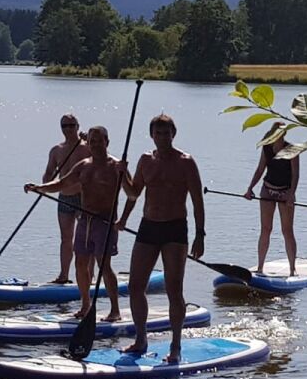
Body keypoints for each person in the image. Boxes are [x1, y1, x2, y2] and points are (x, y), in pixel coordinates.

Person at [117, 114, 205, 364]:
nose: (163, 138)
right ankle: (141, 339)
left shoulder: (186, 162)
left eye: (167, 133)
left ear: (173, 134)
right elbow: (133, 193)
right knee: (135, 286)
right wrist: (122, 176)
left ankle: (176, 345)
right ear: (152, 135)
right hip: (148, 227)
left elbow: (198, 201)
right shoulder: (146, 160)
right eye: (158, 133)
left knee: (174, 289)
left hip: (176, 229)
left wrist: (200, 234)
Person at [26, 126, 125, 322]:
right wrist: (40, 188)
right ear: (88, 143)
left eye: (100, 140)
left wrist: (124, 219)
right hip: (84, 221)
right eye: (92, 141)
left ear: (107, 141)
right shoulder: (83, 165)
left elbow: (132, 193)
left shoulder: (116, 166)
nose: (96, 144)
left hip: (104, 222)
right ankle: (86, 305)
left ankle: (115, 310)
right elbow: (62, 183)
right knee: (80, 264)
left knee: (104, 265)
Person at [245, 122, 299, 276]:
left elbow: (295, 175)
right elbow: (260, 169)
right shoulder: (267, 148)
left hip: (285, 192)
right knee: (266, 229)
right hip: (267, 190)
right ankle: (260, 267)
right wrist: (250, 189)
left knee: (287, 230)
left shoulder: (292, 150)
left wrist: (291, 194)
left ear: (284, 135)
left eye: (281, 134)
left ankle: (292, 269)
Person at [44, 114, 90, 284]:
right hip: (64, 198)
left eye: (72, 125)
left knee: (87, 238)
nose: (68, 129)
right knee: (66, 238)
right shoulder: (57, 150)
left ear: (78, 126)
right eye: (65, 126)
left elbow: (103, 160)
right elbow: (49, 172)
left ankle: (89, 277)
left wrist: (91, 140)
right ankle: (64, 275)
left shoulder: (87, 147)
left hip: (84, 198)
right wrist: (44, 186)